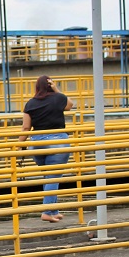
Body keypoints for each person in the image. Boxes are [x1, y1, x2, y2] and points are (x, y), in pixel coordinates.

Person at [19, 75, 75, 223]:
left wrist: (19, 145)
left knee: (48, 176)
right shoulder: (58, 98)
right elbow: (70, 105)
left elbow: (26, 127)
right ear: (50, 85)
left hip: (37, 143)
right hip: (57, 141)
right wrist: (56, 88)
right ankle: (47, 212)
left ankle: (53, 210)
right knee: (53, 176)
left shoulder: (30, 104)